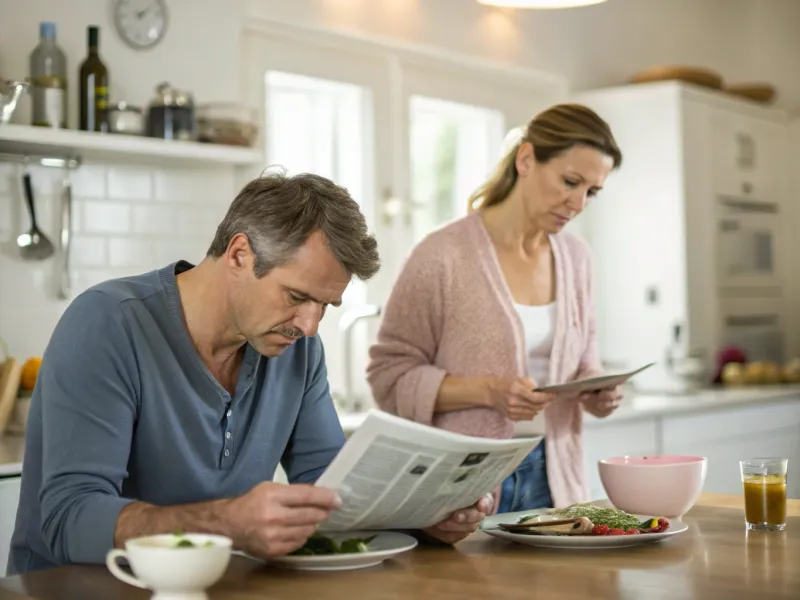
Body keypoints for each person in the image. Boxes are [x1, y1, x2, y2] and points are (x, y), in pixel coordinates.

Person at [8, 171, 492, 576]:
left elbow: (332, 493)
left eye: (326, 305)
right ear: (239, 253)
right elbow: (68, 518)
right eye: (297, 296)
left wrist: (425, 519)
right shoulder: (109, 323)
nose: (309, 324)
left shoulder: (298, 351)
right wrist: (224, 522)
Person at [366, 104, 623, 514]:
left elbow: (584, 361)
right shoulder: (442, 255)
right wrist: (488, 392)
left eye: (591, 192)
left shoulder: (577, 258)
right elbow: (388, 378)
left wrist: (596, 389)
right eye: (570, 181)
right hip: (464, 486)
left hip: (555, 478)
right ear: (526, 160)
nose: (577, 203)